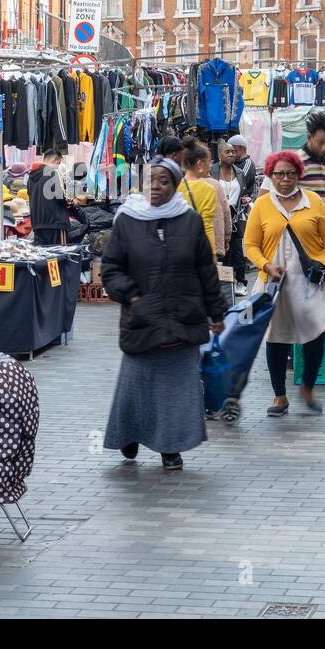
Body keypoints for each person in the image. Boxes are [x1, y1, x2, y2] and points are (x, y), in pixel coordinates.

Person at [102, 157, 227, 470]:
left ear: (175, 185)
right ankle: (128, 433)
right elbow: (111, 268)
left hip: (183, 318)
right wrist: (132, 296)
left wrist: (217, 312)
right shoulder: (127, 219)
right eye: (151, 181)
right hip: (142, 320)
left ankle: (170, 447)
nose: (156, 187)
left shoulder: (190, 220)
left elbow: (205, 271)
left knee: (176, 391)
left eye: (164, 181)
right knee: (136, 387)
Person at [240, 150, 325, 420]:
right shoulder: (262, 206)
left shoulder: (314, 203)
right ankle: (279, 394)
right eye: (278, 174)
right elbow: (249, 245)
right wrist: (265, 265)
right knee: (277, 338)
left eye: (289, 173)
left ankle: (308, 388)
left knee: (315, 336)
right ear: (270, 176)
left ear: (298, 174)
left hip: (312, 282)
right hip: (275, 285)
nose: (284, 179)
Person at [259, 113, 325, 205]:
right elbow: (263, 195)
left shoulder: (323, 164)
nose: (324, 148)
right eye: (320, 143)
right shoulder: (294, 162)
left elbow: (323, 199)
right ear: (309, 137)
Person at [214, 141, 249, 294]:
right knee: (222, 252)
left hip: (235, 216)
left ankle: (241, 282)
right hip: (218, 216)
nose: (231, 154)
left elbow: (244, 191)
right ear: (219, 155)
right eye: (227, 151)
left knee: (238, 252)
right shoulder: (212, 171)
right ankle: (225, 285)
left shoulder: (239, 172)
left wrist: (244, 200)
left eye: (233, 151)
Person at [178, 138, 222, 257]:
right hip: (198, 250)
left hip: (178, 248)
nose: (210, 165)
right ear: (199, 164)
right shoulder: (208, 189)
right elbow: (207, 226)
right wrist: (212, 254)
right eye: (208, 161)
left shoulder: (175, 186)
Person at [28, 149, 70, 246]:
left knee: (43, 257)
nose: (58, 166)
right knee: (59, 255)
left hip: (38, 224)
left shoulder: (31, 177)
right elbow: (62, 197)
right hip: (55, 223)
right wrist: (72, 202)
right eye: (59, 163)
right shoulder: (53, 172)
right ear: (56, 160)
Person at [226, 134, 259, 204]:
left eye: (233, 149)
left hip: (239, 206)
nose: (231, 152)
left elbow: (239, 183)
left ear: (240, 148)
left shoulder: (248, 163)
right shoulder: (233, 162)